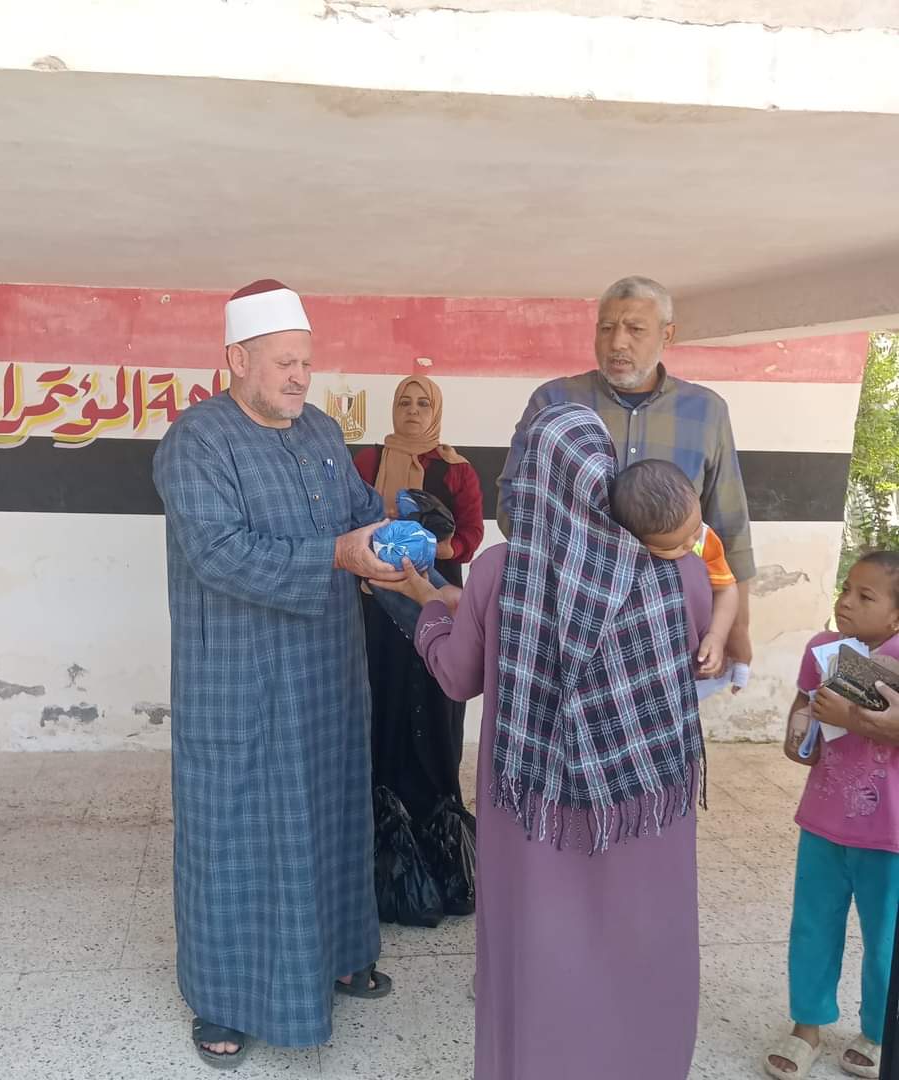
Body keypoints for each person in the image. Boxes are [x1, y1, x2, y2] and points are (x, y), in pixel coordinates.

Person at [376, 402, 712, 1080]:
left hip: (536, 806)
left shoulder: (504, 571)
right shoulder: (680, 570)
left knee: (540, 950)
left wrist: (427, 607)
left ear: (533, 477)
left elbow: (458, 674)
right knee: (645, 942)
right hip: (645, 800)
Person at [153, 279, 403, 1069]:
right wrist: (338, 554)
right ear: (237, 359)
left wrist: (392, 539)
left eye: (306, 361)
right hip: (239, 681)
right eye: (285, 362)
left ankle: (341, 954)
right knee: (236, 835)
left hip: (326, 672)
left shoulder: (321, 430)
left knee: (331, 811)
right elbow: (219, 554)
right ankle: (224, 1000)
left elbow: (357, 512)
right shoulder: (196, 442)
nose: (301, 376)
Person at [496, 274, 754, 670]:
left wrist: (737, 629)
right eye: (606, 328)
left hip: (670, 626)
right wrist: (583, 563)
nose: (617, 342)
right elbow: (514, 503)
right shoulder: (554, 401)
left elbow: (729, 523)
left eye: (635, 329)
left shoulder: (707, 411)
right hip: (570, 621)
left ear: (667, 334)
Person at [765, 551, 899, 1079]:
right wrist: (800, 734)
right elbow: (802, 718)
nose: (846, 602)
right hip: (823, 821)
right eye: (846, 589)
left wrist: (853, 716)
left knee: (885, 938)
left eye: (866, 596)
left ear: (896, 616)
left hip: (888, 833)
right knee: (813, 925)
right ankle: (807, 1025)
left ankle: (879, 1031)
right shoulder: (823, 649)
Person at [353, 375, 484, 830]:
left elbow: (471, 535)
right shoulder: (369, 461)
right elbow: (347, 521)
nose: (412, 410)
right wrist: (381, 538)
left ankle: (437, 817)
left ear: (435, 412)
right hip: (377, 598)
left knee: (436, 694)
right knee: (383, 692)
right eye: (405, 402)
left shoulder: (455, 469)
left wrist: (432, 547)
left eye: (422, 403)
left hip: (437, 598)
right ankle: (381, 816)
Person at [611, 458, 748, 690]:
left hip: (694, 661)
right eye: (672, 547)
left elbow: (726, 589)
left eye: (694, 530)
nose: (690, 545)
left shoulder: (705, 540)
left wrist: (717, 635)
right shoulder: (625, 557)